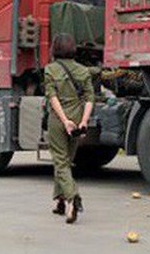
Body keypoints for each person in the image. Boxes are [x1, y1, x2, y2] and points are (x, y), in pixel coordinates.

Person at [44, 33, 95, 224]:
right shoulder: (83, 71)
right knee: (66, 161)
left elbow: (52, 97)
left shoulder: (50, 69)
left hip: (60, 120)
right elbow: (90, 98)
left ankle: (72, 197)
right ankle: (60, 202)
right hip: (78, 116)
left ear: (55, 49)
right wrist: (83, 121)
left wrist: (64, 120)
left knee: (60, 161)